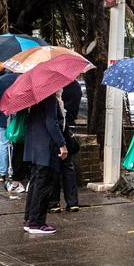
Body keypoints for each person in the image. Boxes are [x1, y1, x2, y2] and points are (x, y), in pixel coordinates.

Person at [23, 92, 68, 235]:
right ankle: (37, 222)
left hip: (35, 146)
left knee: (35, 183)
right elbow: (51, 122)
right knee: (43, 185)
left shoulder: (35, 98)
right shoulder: (49, 98)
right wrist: (62, 144)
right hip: (46, 148)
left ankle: (29, 219)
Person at [0, 65, 25, 193]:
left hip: (4, 117)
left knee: (3, 145)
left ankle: (2, 173)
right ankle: (16, 174)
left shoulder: (0, 80)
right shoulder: (22, 79)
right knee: (18, 147)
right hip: (19, 119)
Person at [49, 81, 82, 213]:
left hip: (56, 131)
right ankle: (72, 202)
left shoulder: (53, 86)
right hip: (68, 128)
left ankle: (53, 203)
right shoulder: (75, 86)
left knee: (54, 167)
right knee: (68, 167)